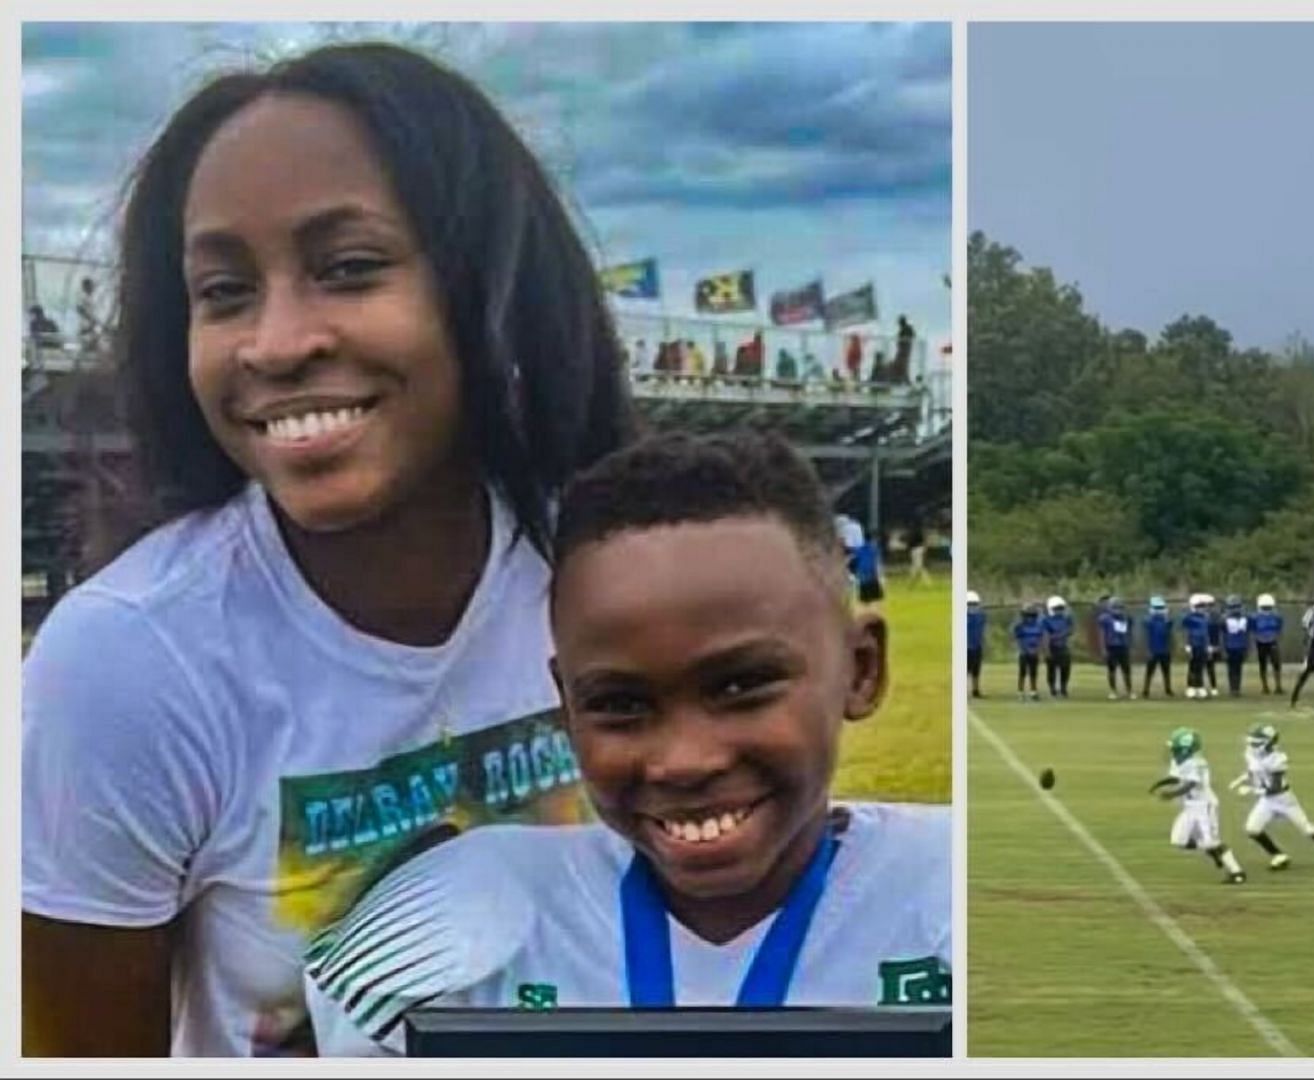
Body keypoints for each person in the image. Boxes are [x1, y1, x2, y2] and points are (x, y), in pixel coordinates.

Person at [21, 42, 636, 1057]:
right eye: (223, 291)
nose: (275, 342)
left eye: (348, 269)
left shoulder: (600, 569)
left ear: (486, 286)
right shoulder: (126, 663)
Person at [303, 432, 948, 1053]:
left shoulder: (946, 907)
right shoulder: (451, 925)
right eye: (620, 705)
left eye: (741, 687)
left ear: (861, 671)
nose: (684, 762)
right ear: (568, 706)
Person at [1233, 724, 1314, 872]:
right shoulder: (1250, 752)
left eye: (1256, 742)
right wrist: (1242, 779)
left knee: (1307, 829)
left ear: (1268, 743)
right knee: (1252, 829)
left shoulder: (1277, 758)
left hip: (1284, 800)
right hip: (1266, 801)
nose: (1252, 745)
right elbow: (1254, 770)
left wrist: (1251, 790)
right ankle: (1278, 855)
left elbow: (1275, 787)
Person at [1149, 728, 1246, 885]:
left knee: (1211, 842)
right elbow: (1176, 777)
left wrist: (1171, 794)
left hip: (1204, 805)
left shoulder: (1197, 763)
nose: (1172, 750)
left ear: (1186, 749)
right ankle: (1214, 851)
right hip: (1190, 806)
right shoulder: (1179, 760)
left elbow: (1190, 783)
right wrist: (1160, 784)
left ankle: (1237, 872)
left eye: (1175, 747)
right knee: (1179, 841)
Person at [1099, 597, 1135, 700]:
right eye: (1115, 607)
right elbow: (1102, 634)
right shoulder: (1105, 618)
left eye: (1119, 607)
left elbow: (1129, 632)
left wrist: (1130, 644)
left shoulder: (1127, 618)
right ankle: (1113, 691)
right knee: (1112, 670)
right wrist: (1103, 648)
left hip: (1123, 646)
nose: (1118, 610)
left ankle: (1129, 691)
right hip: (1111, 646)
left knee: (1126, 670)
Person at [1180, 594, 1214, 699]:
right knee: (1192, 667)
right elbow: (1185, 628)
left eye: (1202, 606)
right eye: (1199, 606)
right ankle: (1191, 687)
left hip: (1202, 645)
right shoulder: (1189, 617)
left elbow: (1206, 633)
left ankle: (1200, 686)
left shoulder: (1205, 618)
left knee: (1200, 667)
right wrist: (1187, 644)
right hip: (1193, 644)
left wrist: (1208, 645)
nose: (1201, 608)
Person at [1012, 602, 1046, 701]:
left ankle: (1033, 692)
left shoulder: (1038, 625)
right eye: (1028, 615)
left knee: (1033, 673)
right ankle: (1020, 692)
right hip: (1024, 652)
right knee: (1022, 672)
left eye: (1032, 615)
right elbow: (1018, 639)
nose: (1030, 617)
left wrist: (1038, 649)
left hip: (1034, 652)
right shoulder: (1020, 625)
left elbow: (1041, 638)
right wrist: (1025, 649)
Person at [1042, 595, 1075, 698]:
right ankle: (1052, 689)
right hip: (1052, 647)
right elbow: (1045, 636)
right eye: (1056, 609)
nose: (1059, 611)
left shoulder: (1066, 618)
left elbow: (1071, 630)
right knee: (1051, 669)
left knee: (1065, 668)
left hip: (1063, 646)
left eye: (1061, 608)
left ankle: (1063, 688)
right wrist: (1046, 650)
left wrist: (1063, 634)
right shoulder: (1046, 620)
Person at [1251, 593, 1284, 694]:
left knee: (1276, 664)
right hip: (1260, 642)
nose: (1266, 609)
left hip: (1272, 641)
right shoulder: (1255, 617)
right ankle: (1265, 687)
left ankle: (1278, 686)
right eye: (1264, 607)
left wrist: (1276, 638)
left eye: (1268, 607)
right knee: (1263, 664)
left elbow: (1279, 629)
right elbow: (1253, 629)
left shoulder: (1277, 616)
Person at [1142, 595, 1174, 699]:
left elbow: (1170, 624)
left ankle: (1168, 689)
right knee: (1150, 671)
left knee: (1166, 671)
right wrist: (1152, 615)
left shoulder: (1166, 620)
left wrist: (1166, 615)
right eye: (1157, 608)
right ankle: (1146, 690)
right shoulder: (1150, 620)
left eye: (1161, 608)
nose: (1159, 610)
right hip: (1153, 650)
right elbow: (1146, 623)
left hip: (1165, 649)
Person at [1221, 595, 1251, 697]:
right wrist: (1223, 649)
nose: (1235, 609)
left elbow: (1247, 634)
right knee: (1231, 668)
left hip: (1240, 646)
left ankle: (1237, 688)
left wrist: (1247, 647)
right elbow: (1223, 635)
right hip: (1230, 646)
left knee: (1238, 668)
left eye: (1237, 606)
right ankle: (1232, 688)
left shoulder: (1245, 618)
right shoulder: (1224, 619)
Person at [965, 591, 987, 699]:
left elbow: (981, 630)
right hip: (965, 647)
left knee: (976, 669)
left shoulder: (981, 616)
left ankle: (975, 689)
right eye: (970, 604)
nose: (972, 606)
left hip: (977, 646)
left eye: (974, 604)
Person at [77, 276, 104, 351]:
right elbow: (79, 309)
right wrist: (91, 319)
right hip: (86, 326)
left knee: (92, 346)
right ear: (86, 287)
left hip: (91, 326)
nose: (93, 287)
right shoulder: (82, 297)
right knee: (87, 346)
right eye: (91, 285)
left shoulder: (91, 298)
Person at [905, 520, 932, 586]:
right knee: (916, 566)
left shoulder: (912, 533)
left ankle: (927, 582)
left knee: (918, 566)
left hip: (915, 550)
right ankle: (911, 581)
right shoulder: (918, 531)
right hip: (919, 549)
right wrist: (925, 548)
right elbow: (924, 540)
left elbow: (909, 543)